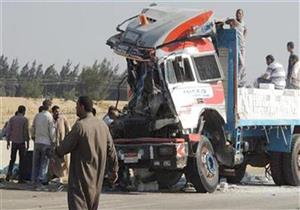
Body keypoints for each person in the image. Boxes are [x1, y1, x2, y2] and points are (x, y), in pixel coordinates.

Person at [56, 96, 118, 210]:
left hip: (80, 180)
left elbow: (63, 149)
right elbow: (112, 151)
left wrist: (53, 152)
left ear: (82, 107)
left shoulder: (80, 126)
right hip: (96, 182)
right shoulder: (103, 126)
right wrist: (114, 170)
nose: (75, 109)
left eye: (77, 106)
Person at [31, 99, 56, 189]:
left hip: (37, 142)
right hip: (46, 142)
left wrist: (33, 136)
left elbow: (33, 127)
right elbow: (52, 131)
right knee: (44, 163)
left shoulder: (37, 116)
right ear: (49, 106)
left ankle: (34, 181)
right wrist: (53, 141)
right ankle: (40, 182)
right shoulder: (49, 117)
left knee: (36, 163)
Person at [5, 105, 30, 183]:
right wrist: (28, 142)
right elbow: (26, 132)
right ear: (24, 111)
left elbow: (8, 130)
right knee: (22, 160)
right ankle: (21, 178)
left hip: (14, 142)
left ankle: (8, 175)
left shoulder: (12, 119)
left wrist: (8, 141)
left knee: (12, 159)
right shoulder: (25, 120)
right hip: (21, 142)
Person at [226, 9, 247, 87]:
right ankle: (236, 79)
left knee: (242, 65)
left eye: (240, 13)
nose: (239, 15)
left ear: (242, 15)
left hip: (242, 46)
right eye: (238, 13)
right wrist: (231, 21)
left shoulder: (243, 23)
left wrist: (244, 38)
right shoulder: (234, 22)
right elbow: (227, 22)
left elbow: (246, 29)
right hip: (236, 45)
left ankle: (238, 79)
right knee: (241, 63)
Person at [51, 105, 70, 178]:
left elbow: (68, 129)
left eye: (58, 112)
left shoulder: (63, 119)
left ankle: (63, 175)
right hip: (53, 143)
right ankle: (54, 175)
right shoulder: (50, 119)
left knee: (63, 160)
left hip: (62, 143)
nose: (57, 113)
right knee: (53, 160)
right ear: (53, 112)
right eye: (56, 112)